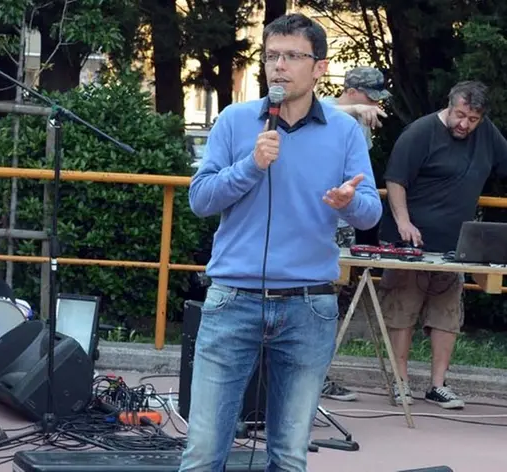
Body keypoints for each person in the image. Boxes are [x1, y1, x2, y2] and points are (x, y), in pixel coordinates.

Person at [182, 13, 381, 472]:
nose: (279, 66)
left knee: (290, 456)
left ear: (319, 68)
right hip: (233, 299)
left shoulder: (344, 131)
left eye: (292, 56)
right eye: (272, 56)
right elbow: (200, 199)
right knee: (202, 452)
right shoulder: (234, 122)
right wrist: (250, 166)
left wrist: (348, 203)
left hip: (308, 306)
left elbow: (370, 212)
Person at [378, 80, 507, 409]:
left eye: (473, 119)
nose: (464, 124)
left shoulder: (487, 134)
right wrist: (404, 222)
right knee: (401, 311)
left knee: (447, 314)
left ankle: (438, 384)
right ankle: (400, 381)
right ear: (449, 105)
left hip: (455, 247)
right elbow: (395, 180)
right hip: (409, 242)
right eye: (460, 115)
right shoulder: (419, 133)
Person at [319, 66, 391, 402]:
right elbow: (317, 109)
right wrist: (353, 110)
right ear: (352, 91)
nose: (375, 103)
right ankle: (313, 374)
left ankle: (320, 372)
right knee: (318, 298)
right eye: (370, 96)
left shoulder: (361, 121)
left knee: (335, 300)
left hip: (347, 223)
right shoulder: (330, 110)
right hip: (323, 223)